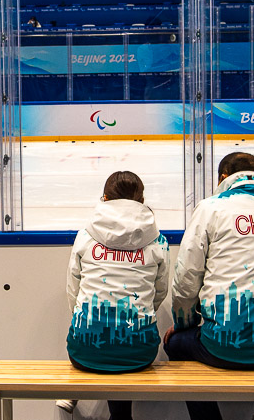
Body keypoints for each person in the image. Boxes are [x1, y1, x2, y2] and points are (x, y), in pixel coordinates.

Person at [164, 152, 254, 420]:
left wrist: (184, 324)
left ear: (223, 178)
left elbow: (186, 279)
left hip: (224, 345)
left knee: (176, 344)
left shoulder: (210, 209)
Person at [58, 171, 170, 419]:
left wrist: (84, 321)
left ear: (105, 198)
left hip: (84, 349)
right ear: (141, 199)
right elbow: (159, 291)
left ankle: (76, 389)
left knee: (102, 334)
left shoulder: (86, 236)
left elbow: (73, 289)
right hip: (140, 352)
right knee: (123, 339)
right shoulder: (157, 241)